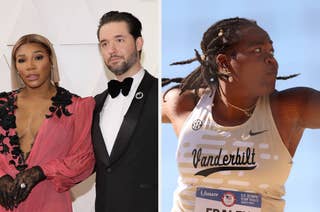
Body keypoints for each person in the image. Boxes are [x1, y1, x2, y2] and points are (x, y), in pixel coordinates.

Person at [162, 17, 320, 212]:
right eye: (257, 50)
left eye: (271, 51)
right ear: (223, 62)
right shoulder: (186, 105)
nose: (271, 59)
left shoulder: (290, 108)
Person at [0, 34, 95, 211]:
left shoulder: (78, 107)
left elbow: (84, 160)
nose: (30, 66)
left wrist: (41, 171)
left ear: (51, 61)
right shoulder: (2, 105)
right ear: (16, 67)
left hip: (50, 203)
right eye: (22, 60)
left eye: (38, 57)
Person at [91, 11, 158, 212]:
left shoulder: (162, 94)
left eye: (119, 40)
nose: (112, 49)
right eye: (104, 44)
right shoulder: (95, 103)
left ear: (139, 43)